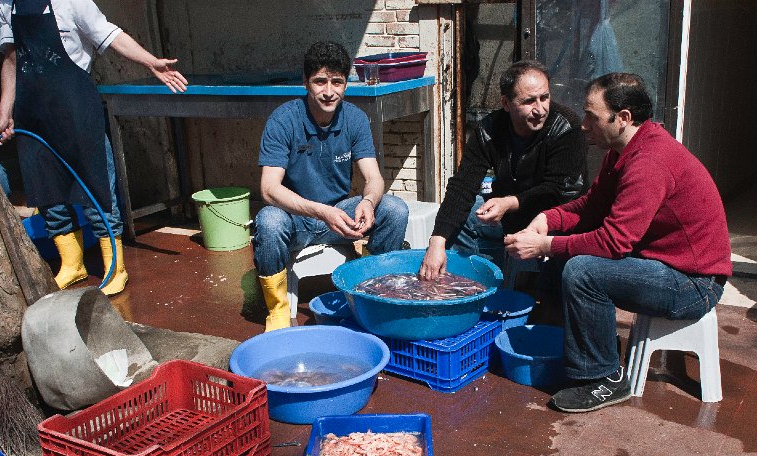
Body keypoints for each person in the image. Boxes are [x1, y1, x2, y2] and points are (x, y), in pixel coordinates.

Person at [504, 72, 732, 413]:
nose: (583, 125)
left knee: (583, 270)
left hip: (694, 283)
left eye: (592, 116)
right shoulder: (623, 150)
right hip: (664, 263)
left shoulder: (649, 163)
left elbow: (613, 243)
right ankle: (595, 347)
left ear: (623, 118)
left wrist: (546, 245)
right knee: (573, 250)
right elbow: (591, 208)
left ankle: (603, 379)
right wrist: (547, 221)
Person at [0, 0, 188, 296]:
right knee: (46, 189)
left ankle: (116, 266)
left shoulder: (71, 1)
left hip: (76, 107)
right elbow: (11, 59)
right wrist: (6, 111)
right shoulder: (6, 5)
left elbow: (109, 34)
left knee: (96, 186)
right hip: (32, 113)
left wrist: (150, 62)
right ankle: (72, 263)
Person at [254, 41, 408, 331]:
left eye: (337, 82)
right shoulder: (283, 120)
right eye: (320, 81)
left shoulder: (356, 119)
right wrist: (322, 212)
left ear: (346, 83)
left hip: (339, 215)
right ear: (305, 82)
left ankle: (373, 293)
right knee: (269, 221)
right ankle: (277, 309)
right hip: (297, 219)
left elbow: (374, 179)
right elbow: (269, 189)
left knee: (395, 209)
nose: (328, 91)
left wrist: (368, 202)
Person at [419, 60, 587, 281]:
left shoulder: (566, 127)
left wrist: (509, 202)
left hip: (553, 218)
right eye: (529, 101)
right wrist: (437, 241)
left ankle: (516, 286)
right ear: (506, 103)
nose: (540, 109)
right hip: (510, 213)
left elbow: (558, 191)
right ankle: (470, 282)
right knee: (466, 216)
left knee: (520, 280)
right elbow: (462, 185)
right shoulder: (489, 130)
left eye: (544, 97)